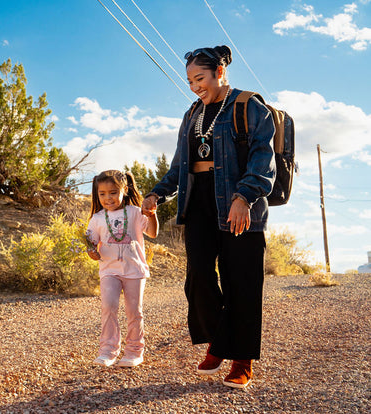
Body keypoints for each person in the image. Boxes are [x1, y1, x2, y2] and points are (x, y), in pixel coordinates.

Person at [142, 45, 275, 389]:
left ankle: (241, 359)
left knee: (241, 281)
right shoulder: (192, 114)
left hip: (236, 200)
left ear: (219, 72)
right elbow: (179, 166)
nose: (194, 86)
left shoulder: (248, 105)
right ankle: (220, 342)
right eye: (189, 81)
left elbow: (263, 158)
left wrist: (244, 197)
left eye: (199, 78)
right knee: (199, 277)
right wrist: (158, 193)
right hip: (198, 200)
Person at [86, 170, 158, 368]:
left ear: (124, 190)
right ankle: (108, 351)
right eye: (102, 194)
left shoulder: (135, 212)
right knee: (108, 307)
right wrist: (92, 252)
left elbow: (152, 232)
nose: (107, 198)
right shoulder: (97, 218)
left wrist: (151, 215)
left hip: (134, 270)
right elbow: (91, 244)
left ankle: (135, 351)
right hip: (109, 270)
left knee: (134, 311)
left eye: (113, 192)